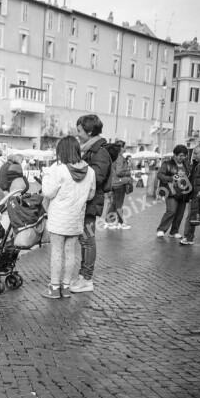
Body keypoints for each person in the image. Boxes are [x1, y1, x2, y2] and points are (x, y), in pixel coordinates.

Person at [41, 136, 96, 299]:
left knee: (57, 252)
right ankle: (66, 287)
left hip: (58, 219)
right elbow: (91, 195)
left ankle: (54, 288)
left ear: (62, 151)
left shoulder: (58, 169)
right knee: (70, 252)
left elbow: (48, 192)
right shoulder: (90, 171)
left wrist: (45, 177)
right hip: (76, 219)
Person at [71, 114, 115, 293]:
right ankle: (83, 276)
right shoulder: (89, 149)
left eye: (80, 131)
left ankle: (87, 279)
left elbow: (95, 177)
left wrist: (74, 171)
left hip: (90, 201)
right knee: (84, 240)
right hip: (85, 200)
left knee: (87, 240)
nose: (77, 134)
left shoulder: (100, 152)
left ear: (89, 131)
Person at [156, 145, 191, 238]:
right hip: (171, 191)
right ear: (174, 154)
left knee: (180, 213)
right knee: (171, 211)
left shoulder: (186, 165)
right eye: (180, 155)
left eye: (184, 156)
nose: (182, 158)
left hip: (184, 192)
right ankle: (161, 229)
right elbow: (159, 175)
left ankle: (174, 231)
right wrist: (170, 178)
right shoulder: (167, 164)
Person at [105, 153, 133, 229]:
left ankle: (107, 221)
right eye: (124, 147)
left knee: (114, 203)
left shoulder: (113, 157)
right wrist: (128, 172)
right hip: (119, 183)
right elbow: (119, 172)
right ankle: (121, 223)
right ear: (121, 147)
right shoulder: (120, 157)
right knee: (119, 204)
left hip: (114, 183)